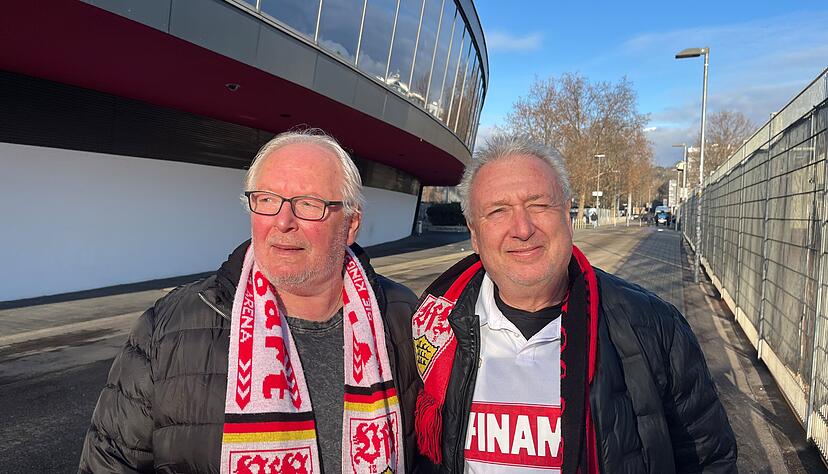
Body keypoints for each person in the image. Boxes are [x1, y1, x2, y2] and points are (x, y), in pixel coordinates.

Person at [79, 130, 420, 474]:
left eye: (309, 204)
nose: (283, 222)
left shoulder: (402, 316)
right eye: (267, 199)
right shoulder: (168, 327)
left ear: (351, 224)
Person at [412, 135, 737, 473]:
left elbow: (708, 460)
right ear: (474, 235)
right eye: (498, 211)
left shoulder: (654, 327)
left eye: (539, 205)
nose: (522, 229)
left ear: (567, 217)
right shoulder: (430, 330)